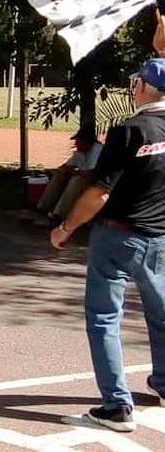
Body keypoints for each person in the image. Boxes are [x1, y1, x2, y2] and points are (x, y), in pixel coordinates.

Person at [50, 53, 165, 433]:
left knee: (103, 318)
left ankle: (116, 406)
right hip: (159, 237)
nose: (133, 87)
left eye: (137, 81)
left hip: (117, 235)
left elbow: (99, 192)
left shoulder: (129, 131)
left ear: (144, 87)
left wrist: (65, 228)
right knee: (161, 315)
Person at [35, 128, 104, 226]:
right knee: (59, 176)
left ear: (87, 142)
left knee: (77, 180)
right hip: (84, 179)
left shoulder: (97, 150)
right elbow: (65, 167)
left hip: (97, 184)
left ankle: (59, 215)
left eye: (78, 141)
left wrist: (72, 172)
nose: (76, 144)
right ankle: (43, 209)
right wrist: (63, 171)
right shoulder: (80, 152)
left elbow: (91, 174)